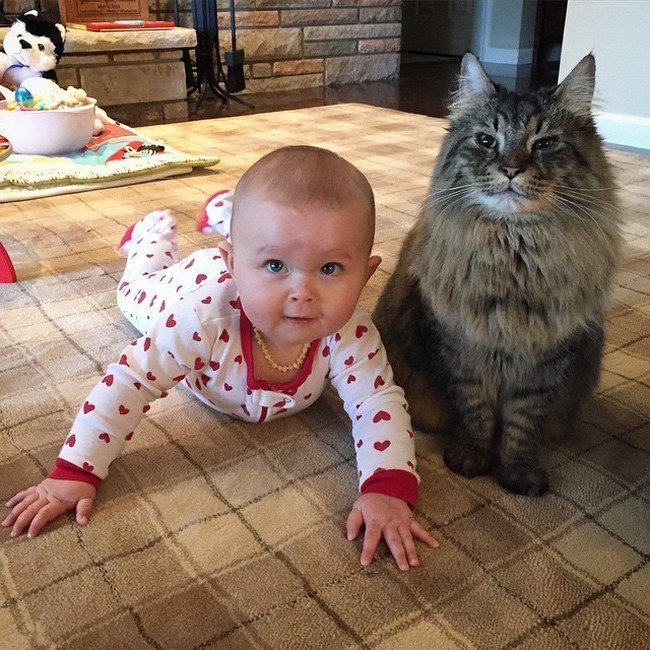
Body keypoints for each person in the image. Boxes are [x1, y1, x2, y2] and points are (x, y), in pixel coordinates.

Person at [3, 146, 438, 570]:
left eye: (330, 269)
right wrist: (74, 471)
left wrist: (386, 487)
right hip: (183, 287)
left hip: (237, 265)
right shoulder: (200, 317)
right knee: (132, 292)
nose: (302, 292)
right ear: (232, 263)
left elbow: (377, 402)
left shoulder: (351, 332)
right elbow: (129, 382)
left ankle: (228, 216)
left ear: (366, 274)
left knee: (272, 235)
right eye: (274, 265)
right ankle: (148, 240)